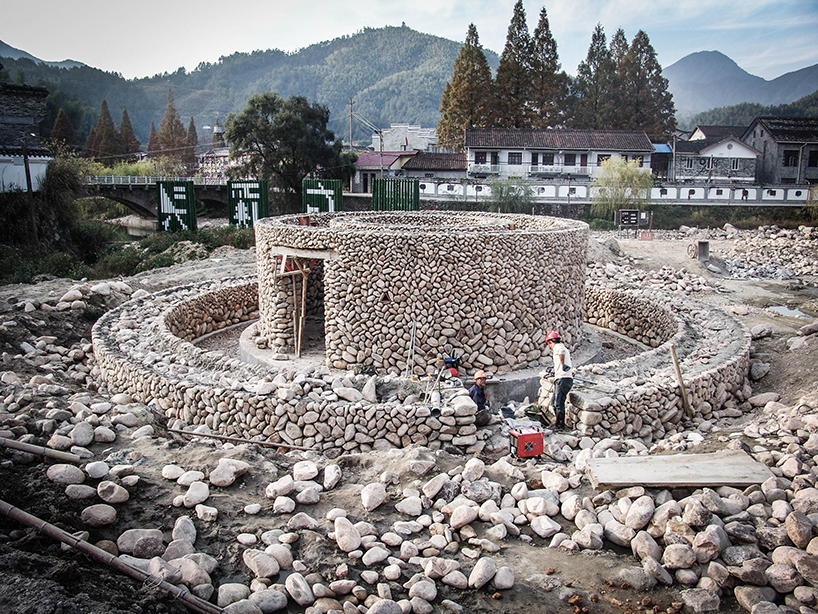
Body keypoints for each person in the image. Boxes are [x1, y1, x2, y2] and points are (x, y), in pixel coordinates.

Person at [546, 330, 573, 431]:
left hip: (563, 378)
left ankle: (560, 425)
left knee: (558, 403)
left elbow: (561, 352)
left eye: (549, 344)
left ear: (550, 342)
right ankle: (558, 422)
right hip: (563, 378)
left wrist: (562, 365)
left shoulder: (558, 347)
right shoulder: (564, 348)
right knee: (554, 402)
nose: (550, 347)